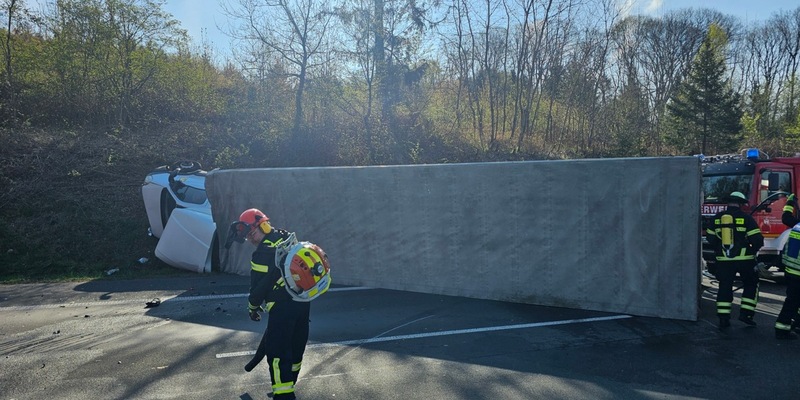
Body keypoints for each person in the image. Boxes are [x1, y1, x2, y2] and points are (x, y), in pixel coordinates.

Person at [237, 208, 310, 399]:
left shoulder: (262, 254)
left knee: (277, 354)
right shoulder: (284, 236)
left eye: (252, 234)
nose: (251, 240)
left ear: (263, 226)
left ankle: (284, 394)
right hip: (302, 302)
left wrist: (252, 308)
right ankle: (289, 384)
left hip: (282, 308)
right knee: (296, 347)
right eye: (248, 237)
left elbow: (258, 289)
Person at [705, 191, 764, 330]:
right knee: (751, 284)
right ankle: (746, 314)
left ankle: (723, 318)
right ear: (741, 204)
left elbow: (710, 238)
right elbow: (757, 240)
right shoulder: (746, 218)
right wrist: (752, 250)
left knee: (725, 286)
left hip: (724, 260)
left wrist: (720, 249)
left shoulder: (717, 218)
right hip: (745, 260)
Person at [775, 194, 800, 340]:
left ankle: (795, 324)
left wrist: (790, 202)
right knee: (793, 301)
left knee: (793, 299)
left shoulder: (796, 224)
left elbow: (785, 217)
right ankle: (782, 329)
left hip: (790, 270)